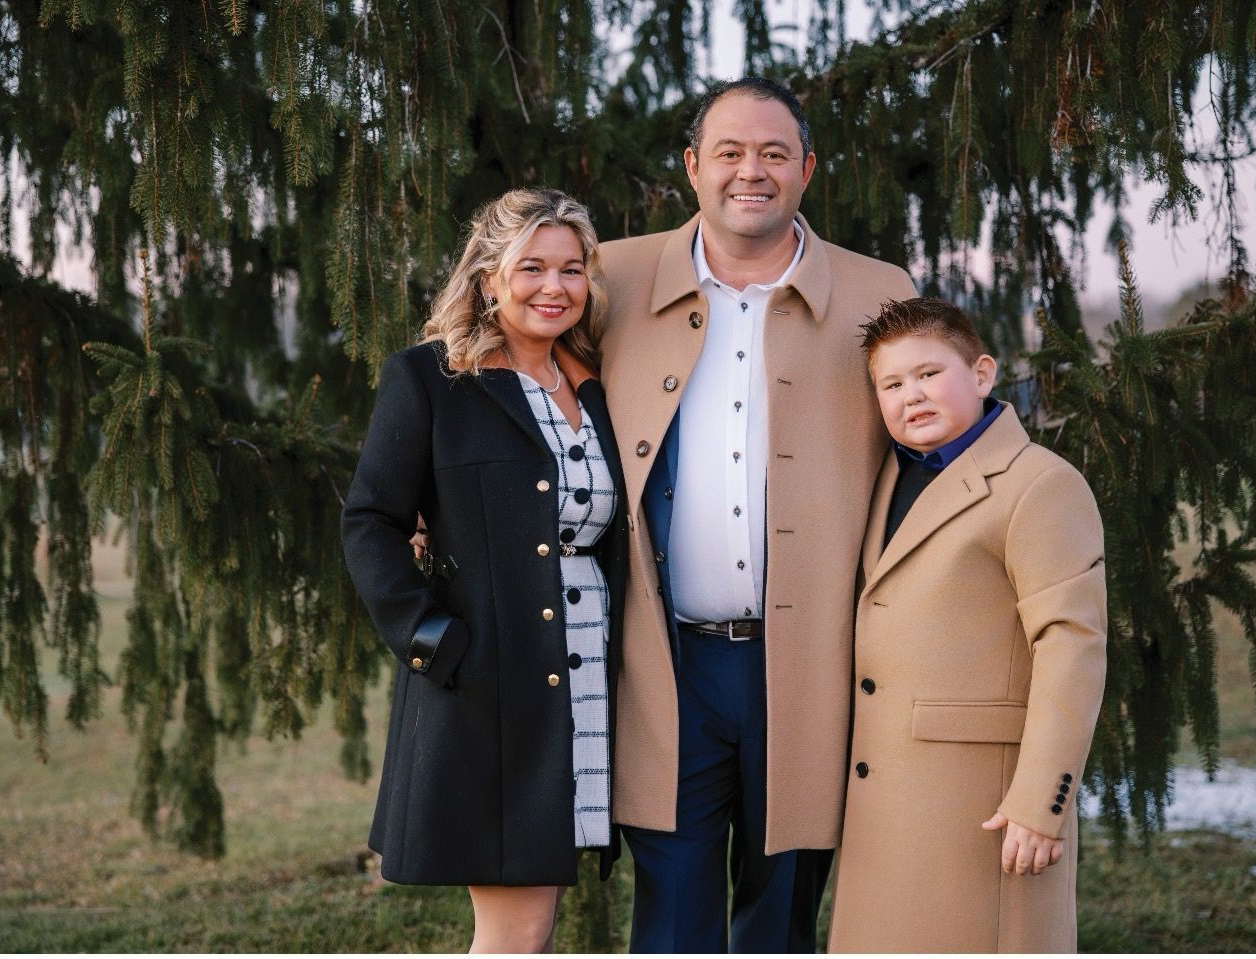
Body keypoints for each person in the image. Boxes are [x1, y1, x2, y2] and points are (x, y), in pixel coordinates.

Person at [596, 78, 918, 952]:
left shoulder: (878, 290)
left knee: (781, 912)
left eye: (774, 153)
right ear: (694, 167)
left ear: (806, 169)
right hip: (666, 663)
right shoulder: (609, 277)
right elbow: (512, 377)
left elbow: (932, 440)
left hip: (811, 661)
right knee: (669, 916)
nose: (752, 171)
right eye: (731, 152)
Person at [342, 188, 628, 953]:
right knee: (515, 928)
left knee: (530, 925)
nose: (553, 287)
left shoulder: (601, 382)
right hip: (489, 684)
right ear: (488, 276)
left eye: (572, 269)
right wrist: (431, 637)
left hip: (591, 675)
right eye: (530, 266)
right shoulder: (434, 380)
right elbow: (371, 520)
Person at [826, 297, 1107, 952]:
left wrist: (1042, 800)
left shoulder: (1039, 485)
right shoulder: (884, 478)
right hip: (883, 800)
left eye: (929, 373)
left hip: (982, 806)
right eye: (891, 384)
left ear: (982, 374)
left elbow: (1072, 645)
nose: (911, 396)